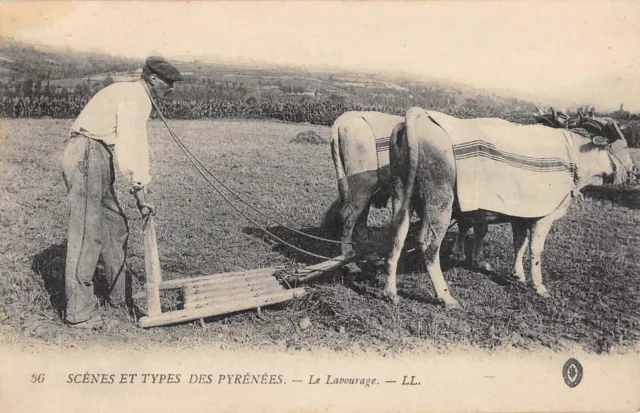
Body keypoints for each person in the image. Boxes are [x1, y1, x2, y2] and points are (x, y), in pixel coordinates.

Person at [60, 56, 183, 329]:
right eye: (169, 82)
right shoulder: (136, 98)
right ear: (152, 79)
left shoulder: (133, 94)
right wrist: (140, 191)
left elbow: (121, 145)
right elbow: (131, 146)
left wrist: (138, 191)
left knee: (114, 226)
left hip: (97, 156)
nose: (172, 87)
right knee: (86, 235)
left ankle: (119, 295)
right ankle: (79, 312)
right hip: (88, 154)